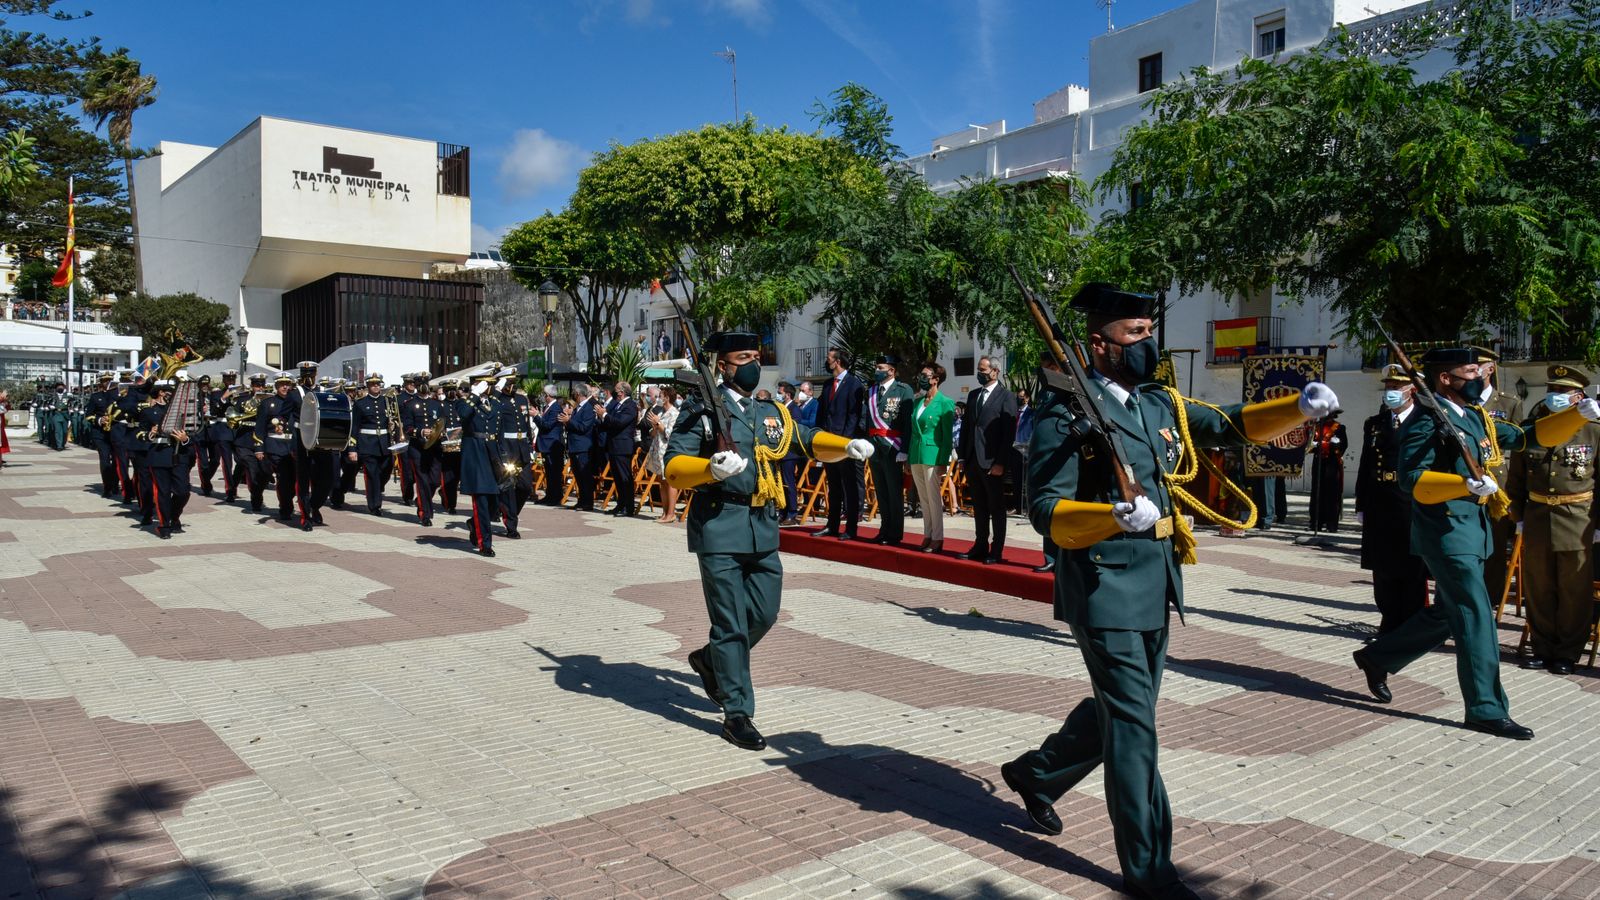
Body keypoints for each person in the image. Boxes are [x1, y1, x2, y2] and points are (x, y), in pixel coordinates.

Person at [999, 282, 1340, 900]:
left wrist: (1301, 408)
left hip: (1156, 582)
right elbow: (1045, 509)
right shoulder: (1064, 413)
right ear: (1099, 345)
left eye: (1150, 329)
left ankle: (1038, 773)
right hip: (1103, 585)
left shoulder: (1157, 403)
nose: (1148, 341)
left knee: (1124, 712)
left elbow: (1229, 428)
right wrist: (1109, 517)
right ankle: (1149, 869)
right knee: (1135, 729)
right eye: (1135, 333)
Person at [1352, 346, 1600, 741]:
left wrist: (1574, 416)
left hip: (1475, 528)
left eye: (1480, 371)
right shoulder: (1427, 421)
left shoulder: (1475, 416)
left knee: (1452, 612)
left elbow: (1526, 438)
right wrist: (1462, 484)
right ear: (1445, 378)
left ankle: (1379, 656)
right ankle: (1485, 708)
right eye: (1470, 372)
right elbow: (1411, 478)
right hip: (1446, 532)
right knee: (1476, 614)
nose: (1480, 377)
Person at [664, 331, 873, 750]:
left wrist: (845, 445)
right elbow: (672, 466)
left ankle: (709, 661)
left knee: (763, 614)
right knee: (731, 625)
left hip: (762, 524)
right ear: (722, 365)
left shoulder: (769, 409)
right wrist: (709, 470)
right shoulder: (703, 409)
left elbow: (806, 438)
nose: (753, 364)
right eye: (744, 357)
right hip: (720, 526)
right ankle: (737, 711)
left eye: (756, 357)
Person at [1506, 365, 1600, 675]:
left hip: (1578, 519)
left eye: (1562, 392)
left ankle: (1568, 652)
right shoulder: (1531, 428)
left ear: (1578, 397)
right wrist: (1517, 517)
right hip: (1537, 516)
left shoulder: (1593, 429)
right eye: (1551, 390)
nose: (1554, 396)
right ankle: (1543, 647)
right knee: (1538, 586)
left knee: (1574, 590)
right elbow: (1516, 479)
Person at [1354, 365, 1429, 634]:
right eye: (1388, 387)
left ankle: (1410, 626)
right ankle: (1388, 622)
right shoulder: (1375, 423)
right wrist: (1361, 503)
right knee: (1382, 568)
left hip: (1411, 502)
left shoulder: (1426, 420)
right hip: (1380, 502)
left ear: (1412, 389)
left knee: (1411, 567)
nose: (1390, 392)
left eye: (1396, 387)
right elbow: (1365, 465)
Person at [1475, 347, 1524, 614]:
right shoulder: (1460, 401)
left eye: (1478, 365)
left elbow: (1518, 450)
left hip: (1497, 483)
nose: (1473, 370)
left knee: (1494, 546)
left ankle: (1491, 600)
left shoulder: (1508, 403)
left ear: (1490, 369)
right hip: (1465, 481)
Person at [957, 356, 1018, 564]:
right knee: (979, 506)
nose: (979, 373)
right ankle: (980, 544)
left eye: (983, 370)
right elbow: (967, 428)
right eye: (978, 370)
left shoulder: (1006, 396)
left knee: (996, 507)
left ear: (995, 371)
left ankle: (997, 549)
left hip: (992, 462)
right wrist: (963, 456)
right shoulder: (974, 395)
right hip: (974, 459)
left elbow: (1008, 433)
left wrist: (1000, 462)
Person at [138, 380, 198, 539]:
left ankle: (174, 515)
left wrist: (185, 439)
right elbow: (139, 433)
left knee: (183, 491)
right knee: (162, 492)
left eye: (172, 391)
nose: (170, 393)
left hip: (180, 454)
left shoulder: (184, 412)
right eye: (166, 391)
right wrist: (150, 433)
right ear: (160, 393)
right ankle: (164, 525)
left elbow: (194, 433)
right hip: (159, 454)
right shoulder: (148, 412)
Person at [863, 355, 913, 545]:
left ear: (891, 370)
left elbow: (907, 422)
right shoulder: (872, 391)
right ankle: (884, 529)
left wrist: (905, 450)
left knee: (894, 492)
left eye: (881, 367)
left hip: (893, 447)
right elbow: (867, 420)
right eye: (876, 367)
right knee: (881, 492)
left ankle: (895, 533)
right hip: (875, 447)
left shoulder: (903, 389)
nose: (877, 370)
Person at [456, 365, 504, 556]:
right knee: (482, 501)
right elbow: (464, 415)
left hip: (492, 456)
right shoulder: (465, 403)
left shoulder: (494, 403)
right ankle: (485, 544)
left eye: (490, 384)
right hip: (475, 456)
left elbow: (498, 431)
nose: (488, 387)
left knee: (495, 502)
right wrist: (474, 393)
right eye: (485, 384)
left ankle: (474, 525)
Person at [907, 362, 955, 553]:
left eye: (925, 375)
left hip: (933, 454)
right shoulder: (918, 401)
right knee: (923, 498)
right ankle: (927, 534)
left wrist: (943, 461)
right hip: (917, 453)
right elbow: (913, 432)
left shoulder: (945, 403)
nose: (921, 378)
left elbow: (946, 437)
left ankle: (938, 537)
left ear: (936, 379)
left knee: (934, 498)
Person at [819, 347, 866, 539]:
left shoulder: (854, 383)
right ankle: (832, 525)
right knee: (834, 486)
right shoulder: (828, 384)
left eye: (829, 358)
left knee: (850, 487)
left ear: (837, 361)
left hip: (845, 443)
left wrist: (844, 443)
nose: (826, 361)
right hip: (828, 443)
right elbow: (823, 412)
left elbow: (854, 415)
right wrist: (819, 436)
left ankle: (851, 528)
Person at [254, 373, 302, 525]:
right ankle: (285, 508)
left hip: (293, 445)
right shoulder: (268, 403)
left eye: (287, 383)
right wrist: (259, 448)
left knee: (295, 479)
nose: (285, 387)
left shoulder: (297, 401)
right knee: (284, 479)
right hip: (275, 446)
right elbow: (260, 427)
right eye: (281, 384)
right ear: (276, 386)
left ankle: (288, 501)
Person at [493, 368, 534, 537]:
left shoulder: (521, 398)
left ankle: (511, 513)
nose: (513, 385)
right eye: (509, 382)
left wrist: (530, 447)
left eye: (513, 382)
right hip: (507, 449)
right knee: (508, 488)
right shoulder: (497, 400)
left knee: (525, 486)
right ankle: (511, 525)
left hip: (522, 448)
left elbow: (526, 424)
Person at [402, 375, 446, 526]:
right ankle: (424, 514)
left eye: (425, 383)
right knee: (423, 481)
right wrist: (420, 432)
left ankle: (422, 500)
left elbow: (442, 422)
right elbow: (407, 427)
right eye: (420, 383)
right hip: (417, 448)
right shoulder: (409, 404)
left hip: (434, 448)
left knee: (434, 481)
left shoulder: (436, 404)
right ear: (415, 385)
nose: (423, 386)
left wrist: (443, 432)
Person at [347, 374, 390, 515]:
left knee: (385, 471)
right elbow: (354, 427)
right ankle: (375, 505)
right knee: (372, 475)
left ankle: (378, 489)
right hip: (367, 444)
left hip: (385, 443)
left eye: (378, 384)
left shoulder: (387, 402)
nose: (376, 386)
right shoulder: (360, 403)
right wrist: (352, 449)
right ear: (368, 386)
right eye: (372, 384)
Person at [597, 380, 639, 517]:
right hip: (614, 445)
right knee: (617, 478)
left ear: (621, 392)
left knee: (625, 477)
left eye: (616, 390)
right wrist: (602, 417)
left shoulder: (630, 405)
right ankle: (621, 504)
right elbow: (610, 422)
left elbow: (620, 422)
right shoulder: (617, 406)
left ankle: (628, 507)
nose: (614, 392)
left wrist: (604, 414)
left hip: (623, 446)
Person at [233, 373, 269, 513]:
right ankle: (256, 500)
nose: (259, 388)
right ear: (252, 386)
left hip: (262, 441)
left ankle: (254, 492)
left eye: (262, 385)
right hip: (245, 440)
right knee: (253, 471)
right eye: (256, 385)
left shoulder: (269, 400)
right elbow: (234, 416)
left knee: (265, 472)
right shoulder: (242, 399)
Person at [1307, 411, 1348, 531]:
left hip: (1332, 463)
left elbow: (1343, 445)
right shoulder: (1316, 427)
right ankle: (1316, 522)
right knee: (1316, 492)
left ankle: (1332, 524)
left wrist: (1334, 445)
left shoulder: (1339, 427)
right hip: (1319, 462)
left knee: (1332, 494)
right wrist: (1314, 445)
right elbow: (1309, 446)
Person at [645, 385, 680, 523]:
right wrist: (654, 425)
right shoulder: (661, 413)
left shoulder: (675, 414)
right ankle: (665, 513)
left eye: (660, 396)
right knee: (662, 482)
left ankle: (671, 513)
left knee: (669, 482)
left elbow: (670, 434)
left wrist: (658, 424)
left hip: (667, 452)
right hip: (657, 452)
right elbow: (653, 434)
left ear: (667, 398)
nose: (658, 398)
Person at [562, 383, 599, 511]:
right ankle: (582, 500)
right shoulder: (578, 408)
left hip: (583, 447)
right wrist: (567, 421)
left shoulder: (588, 408)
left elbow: (584, 427)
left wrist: (569, 421)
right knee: (578, 475)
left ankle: (588, 502)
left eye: (575, 394)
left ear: (578, 394)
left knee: (585, 475)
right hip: (574, 446)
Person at [85, 373, 121, 497]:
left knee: (117, 460)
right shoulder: (96, 397)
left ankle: (116, 484)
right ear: (101, 382)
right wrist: (100, 420)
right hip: (100, 434)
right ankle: (107, 487)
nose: (107, 383)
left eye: (109, 380)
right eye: (105, 381)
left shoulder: (118, 396)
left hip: (115, 433)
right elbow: (88, 415)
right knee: (105, 460)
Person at [536, 385, 566, 505]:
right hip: (547, 444)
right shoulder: (549, 407)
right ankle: (550, 495)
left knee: (554, 471)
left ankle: (555, 496)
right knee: (549, 471)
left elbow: (547, 425)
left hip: (553, 444)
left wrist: (536, 417)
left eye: (544, 394)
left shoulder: (555, 408)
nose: (543, 397)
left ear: (548, 396)